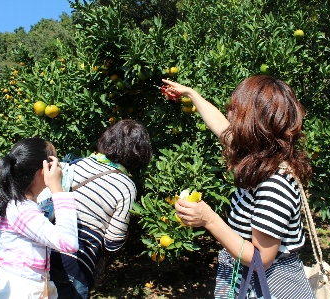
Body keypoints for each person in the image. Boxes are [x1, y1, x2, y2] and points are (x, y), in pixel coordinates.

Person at [164, 76, 315, 299]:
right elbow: (220, 126)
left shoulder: (274, 183)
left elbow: (261, 260)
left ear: (255, 121)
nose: (229, 115)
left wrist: (209, 220)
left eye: (236, 110)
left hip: (269, 286)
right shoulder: (259, 156)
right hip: (246, 279)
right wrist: (191, 93)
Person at [49, 119, 153, 299]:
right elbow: (113, 242)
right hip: (77, 264)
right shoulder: (126, 186)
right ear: (140, 153)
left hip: (45, 253)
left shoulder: (78, 164)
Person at [0, 138, 79, 298]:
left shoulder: (20, 205)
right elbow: (68, 242)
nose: (59, 167)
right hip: (21, 291)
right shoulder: (20, 209)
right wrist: (57, 189)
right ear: (44, 170)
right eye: (54, 161)